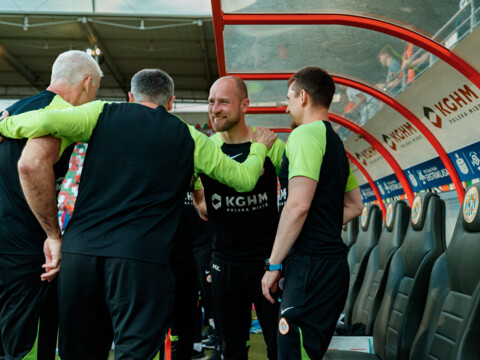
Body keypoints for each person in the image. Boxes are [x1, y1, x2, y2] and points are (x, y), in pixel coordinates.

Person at [0, 68, 277, 359]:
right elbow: (245, 180)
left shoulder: (100, 113)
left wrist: (6, 125)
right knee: (134, 352)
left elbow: (43, 119)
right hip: (140, 260)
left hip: (80, 257)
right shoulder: (189, 136)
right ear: (171, 103)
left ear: (131, 97)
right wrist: (258, 148)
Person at [0, 50, 102, 360]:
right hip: (27, 254)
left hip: (7, 244)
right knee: (24, 347)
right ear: (87, 83)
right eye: (95, 89)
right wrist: (54, 234)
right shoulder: (60, 111)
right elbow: (30, 166)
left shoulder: (15, 111)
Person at [261, 67, 363, 359]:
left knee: (293, 351)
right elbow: (355, 205)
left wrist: (273, 264)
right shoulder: (334, 142)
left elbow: (298, 206)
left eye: (289, 98)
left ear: (303, 96)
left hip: (311, 268)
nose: (286, 107)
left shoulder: (304, 135)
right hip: (328, 267)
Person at [199, 76, 285, 360]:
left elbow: (298, 197)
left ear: (245, 105)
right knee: (232, 349)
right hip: (225, 265)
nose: (215, 109)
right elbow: (198, 201)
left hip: (267, 265)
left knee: (278, 347)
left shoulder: (271, 146)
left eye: (223, 101)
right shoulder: (206, 148)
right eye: (211, 102)